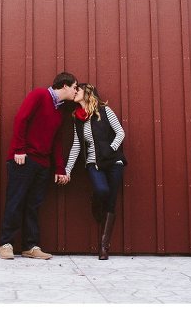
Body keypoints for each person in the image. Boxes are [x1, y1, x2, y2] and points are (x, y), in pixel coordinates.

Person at [0, 72, 77, 260]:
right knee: (15, 201)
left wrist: (59, 168)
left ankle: (30, 247)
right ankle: (6, 244)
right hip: (23, 159)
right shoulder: (40, 95)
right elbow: (21, 119)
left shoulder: (59, 111)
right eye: (74, 87)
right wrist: (19, 149)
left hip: (43, 164)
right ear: (64, 85)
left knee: (33, 205)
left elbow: (57, 142)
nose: (76, 91)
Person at [65, 83, 127, 260]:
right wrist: (68, 169)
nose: (75, 92)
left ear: (87, 93)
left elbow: (120, 133)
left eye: (78, 90)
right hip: (93, 163)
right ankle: (96, 200)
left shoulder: (105, 111)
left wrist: (110, 149)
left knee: (111, 202)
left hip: (114, 162)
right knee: (101, 190)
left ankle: (103, 247)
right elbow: (77, 145)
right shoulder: (77, 118)